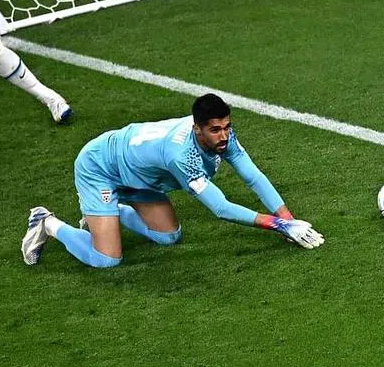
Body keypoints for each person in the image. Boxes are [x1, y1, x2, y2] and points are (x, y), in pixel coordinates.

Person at [21, 93, 324, 268]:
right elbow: (220, 208)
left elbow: (253, 177)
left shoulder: (222, 138)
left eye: (227, 127)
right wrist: (278, 225)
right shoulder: (181, 156)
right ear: (197, 129)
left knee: (169, 237)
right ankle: (46, 223)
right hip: (100, 166)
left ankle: (104, 214)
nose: (224, 136)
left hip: (140, 179)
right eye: (216, 130)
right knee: (108, 259)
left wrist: (289, 220)